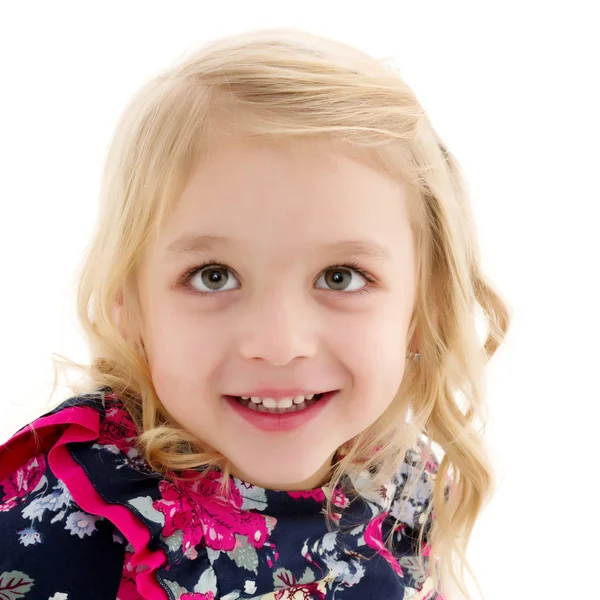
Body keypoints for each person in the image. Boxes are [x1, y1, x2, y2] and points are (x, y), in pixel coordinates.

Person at [0, 27, 511, 600]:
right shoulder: (60, 528)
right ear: (130, 304)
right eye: (213, 276)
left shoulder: (398, 477)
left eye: (340, 277)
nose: (279, 342)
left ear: (424, 305)